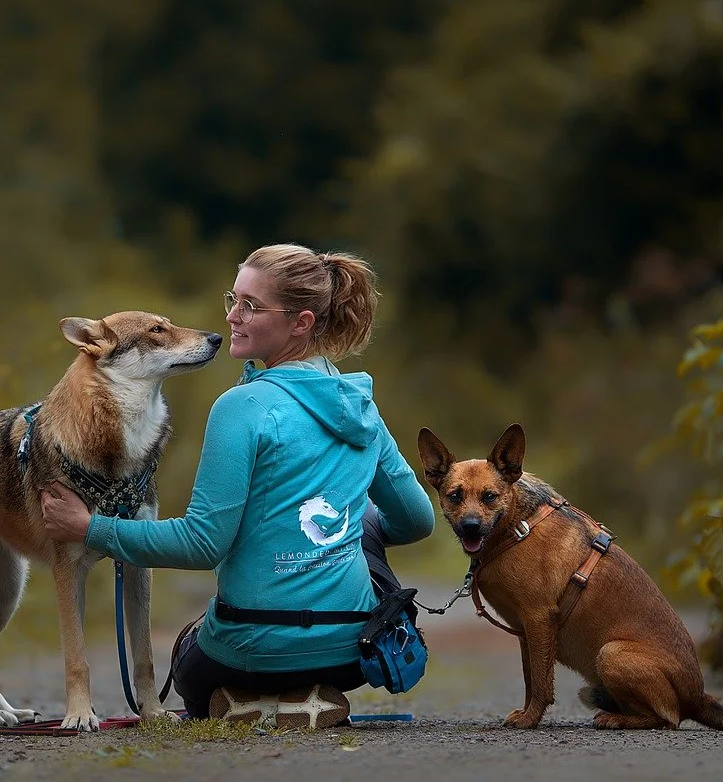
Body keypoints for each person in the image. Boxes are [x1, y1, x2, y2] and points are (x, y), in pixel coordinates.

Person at [40, 243, 436, 726]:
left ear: (301, 323)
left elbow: (202, 543)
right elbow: (417, 520)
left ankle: (256, 700)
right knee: (366, 521)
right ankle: (305, 697)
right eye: (234, 299)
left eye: (251, 306)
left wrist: (89, 528)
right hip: (352, 651)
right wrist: (345, 528)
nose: (232, 316)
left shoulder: (241, 407)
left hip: (253, 648)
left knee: (190, 654)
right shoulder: (360, 407)